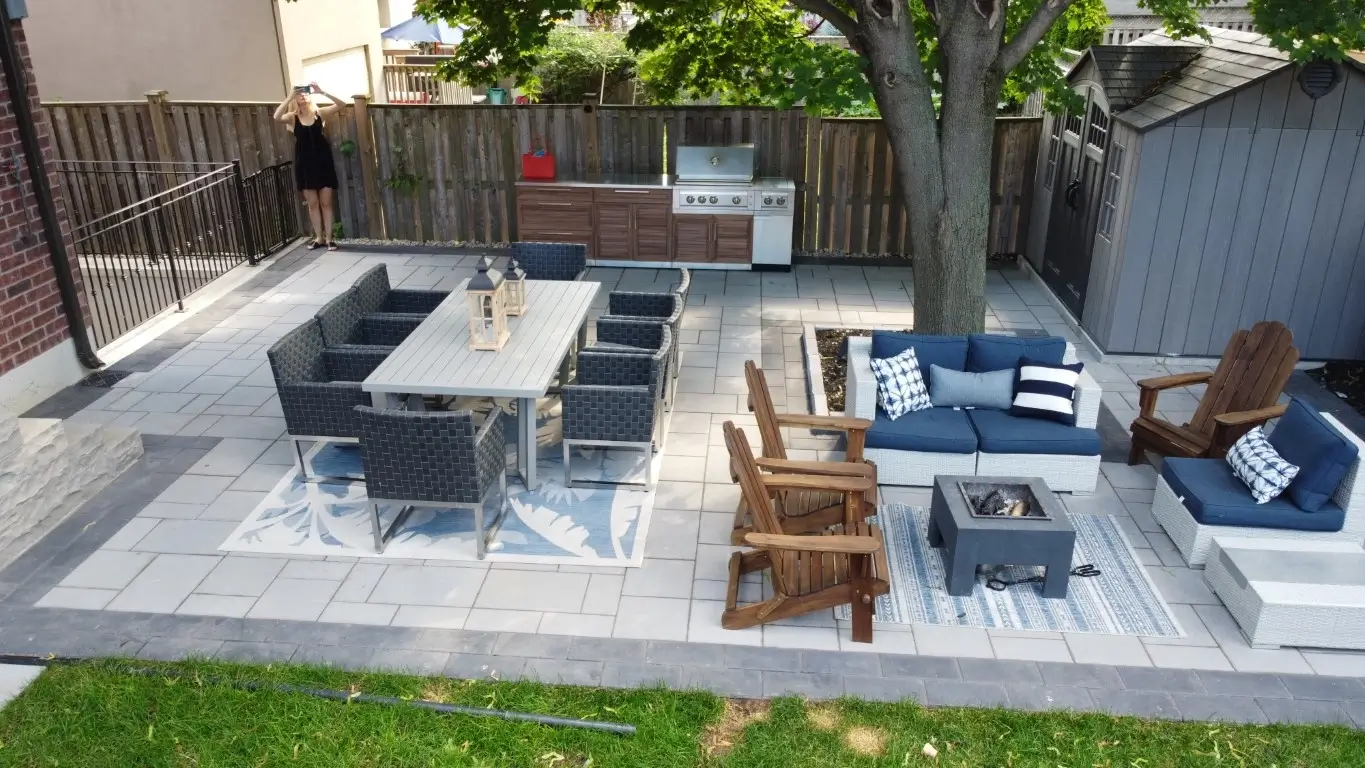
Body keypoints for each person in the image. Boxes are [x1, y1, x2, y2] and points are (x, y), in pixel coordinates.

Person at [274, 82, 344, 250]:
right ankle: (319, 238)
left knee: (326, 202)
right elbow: (276, 117)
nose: (303, 95)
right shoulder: (292, 117)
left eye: (305, 93)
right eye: (299, 93)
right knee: (313, 204)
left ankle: (329, 239)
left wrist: (322, 92)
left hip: (323, 163)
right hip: (305, 165)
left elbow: (342, 104)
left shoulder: (319, 114)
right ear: (295, 98)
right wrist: (289, 97)